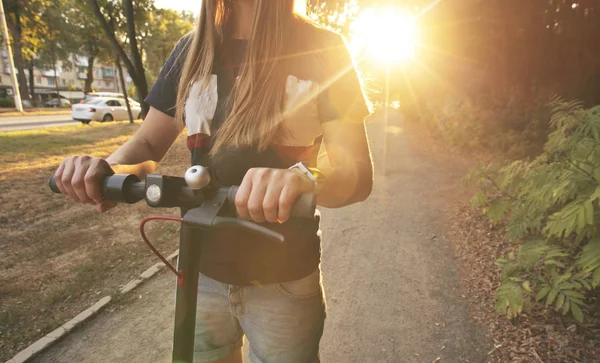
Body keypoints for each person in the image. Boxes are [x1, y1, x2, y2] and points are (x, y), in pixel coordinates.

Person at [52, 0, 373, 362]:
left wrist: (301, 179)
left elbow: (356, 174)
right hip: (200, 272)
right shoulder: (191, 50)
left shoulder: (324, 48)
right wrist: (104, 169)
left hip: (284, 278)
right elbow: (146, 144)